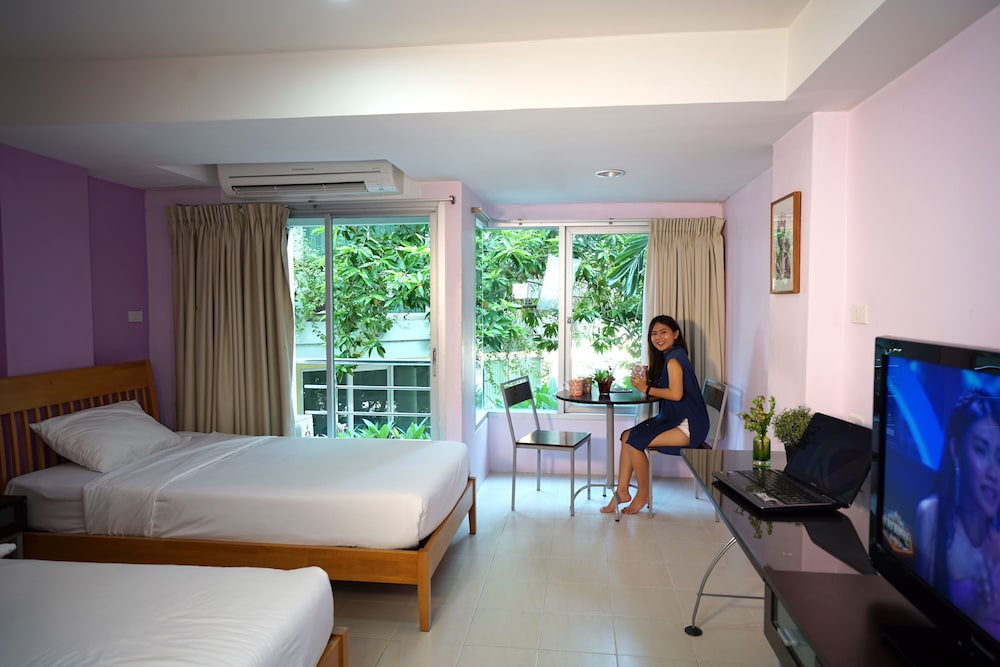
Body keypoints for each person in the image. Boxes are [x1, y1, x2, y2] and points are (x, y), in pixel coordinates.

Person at [601, 315, 709, 515]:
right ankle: (622, 491)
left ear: (675, 334)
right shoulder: (670, 356)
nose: (658, 337)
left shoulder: (674, 360)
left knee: (634, 441)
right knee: (626, 436)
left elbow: (676, 394)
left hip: (688, 425)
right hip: (674, 418)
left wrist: (646, 388)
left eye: (663, 332)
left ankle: (643, 494)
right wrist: (647, 383)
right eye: (654, 334)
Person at [915, 389, 1000, 639]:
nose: (994, 473)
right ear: (955, 451)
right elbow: (918, 614)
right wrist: (976, 613)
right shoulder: (933, 516)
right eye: (981, 450)